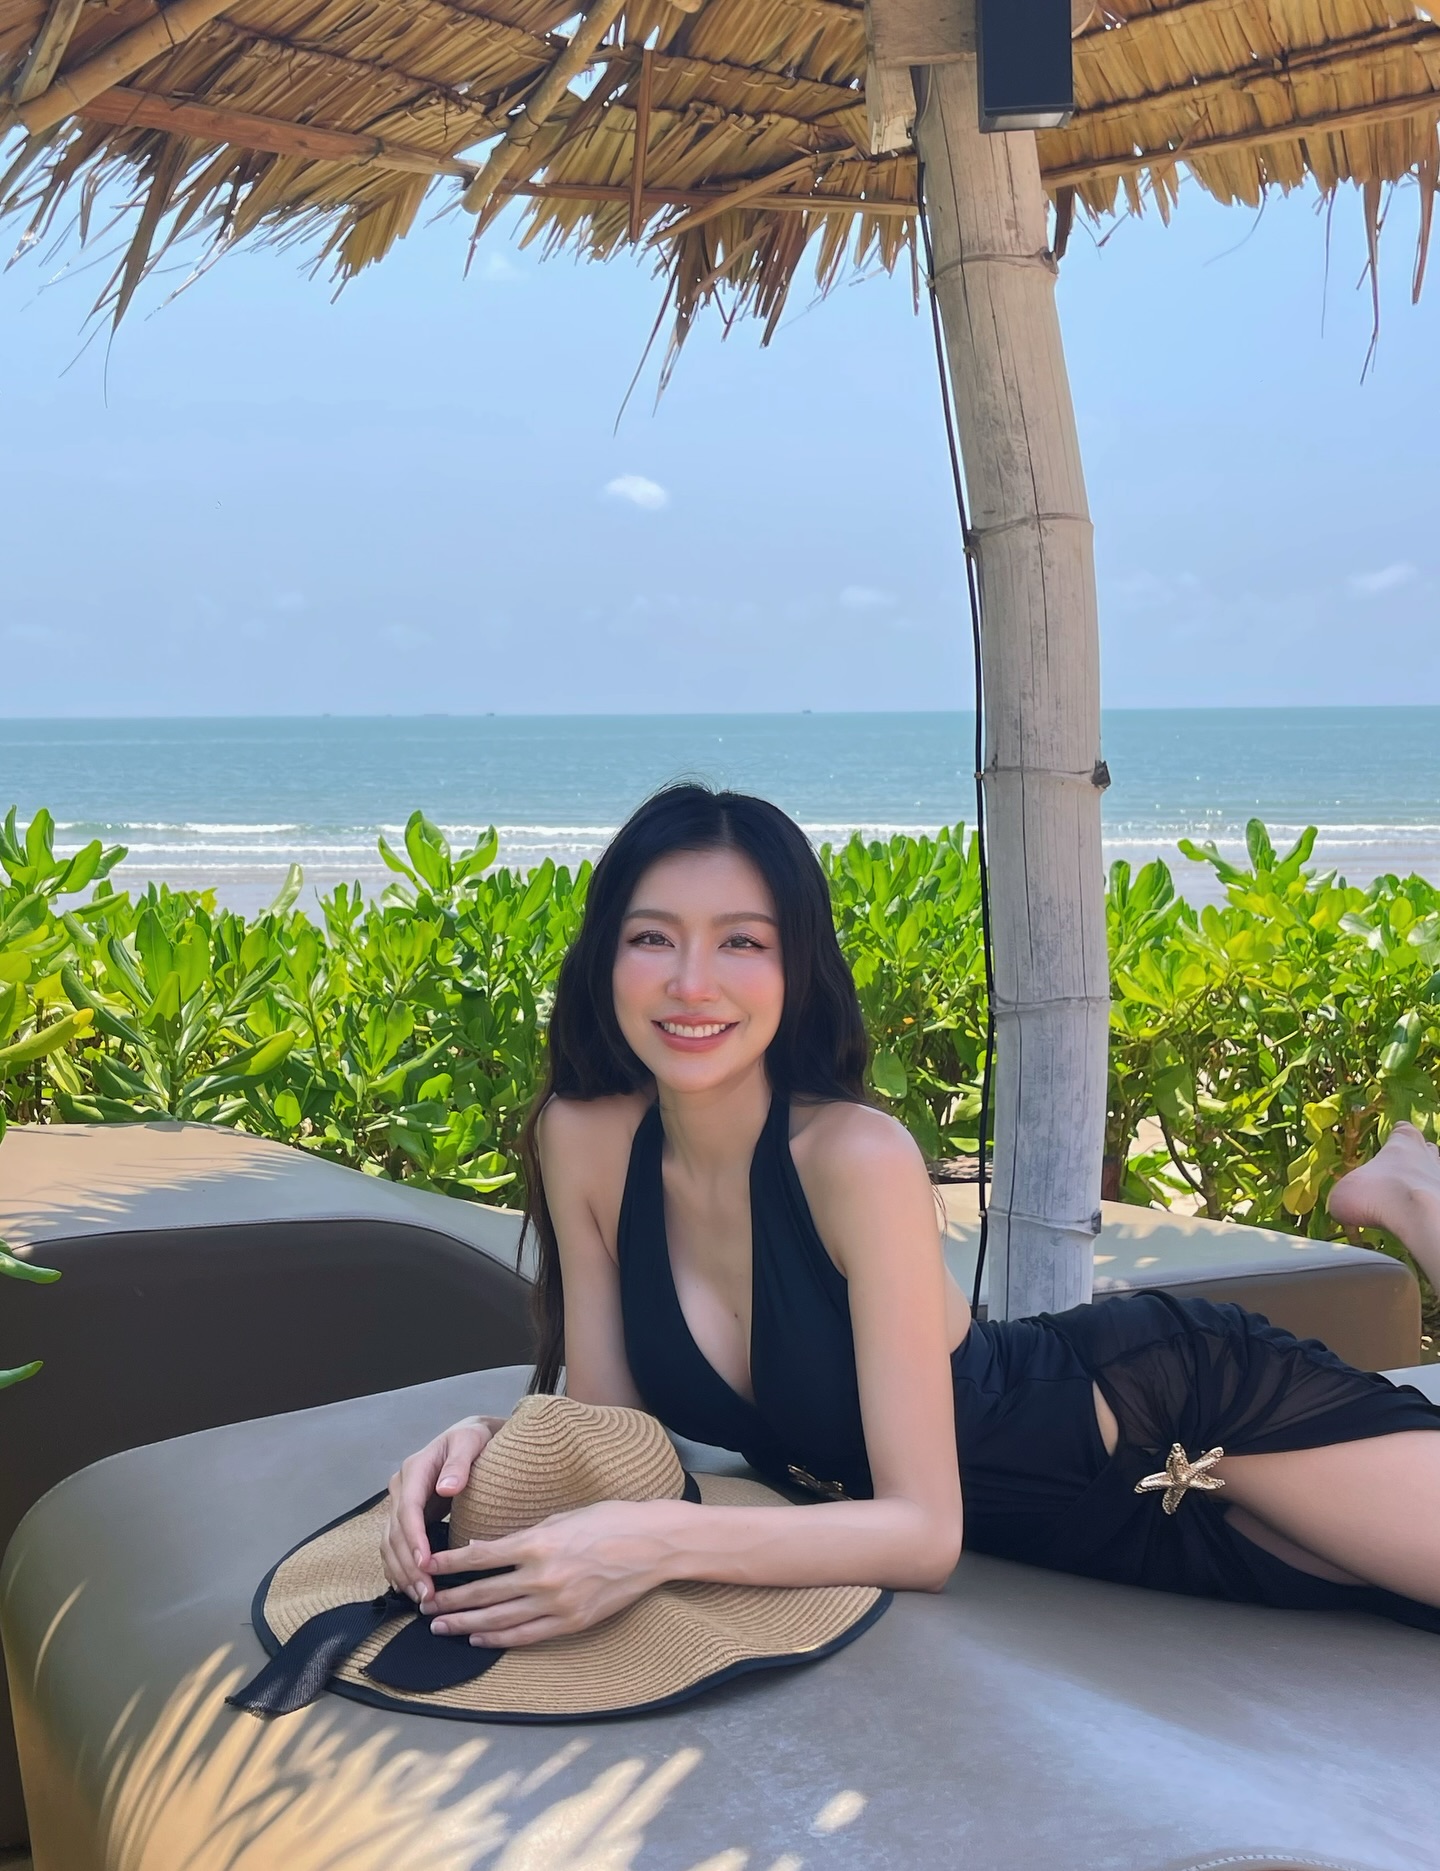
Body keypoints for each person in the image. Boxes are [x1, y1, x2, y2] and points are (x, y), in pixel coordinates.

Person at [381, 785, 1440, 1649]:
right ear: (605, 955)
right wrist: (494, 1447)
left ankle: (1414, 1196)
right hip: (1068, 1534)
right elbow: (616, 1439)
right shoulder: (582, 1137)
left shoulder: (855, 1157)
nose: (692, 982)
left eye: (742, 941)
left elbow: (925, 1534)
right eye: (652, 937)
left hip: (1177, 1410)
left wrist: (654, 1544)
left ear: (796, 968)